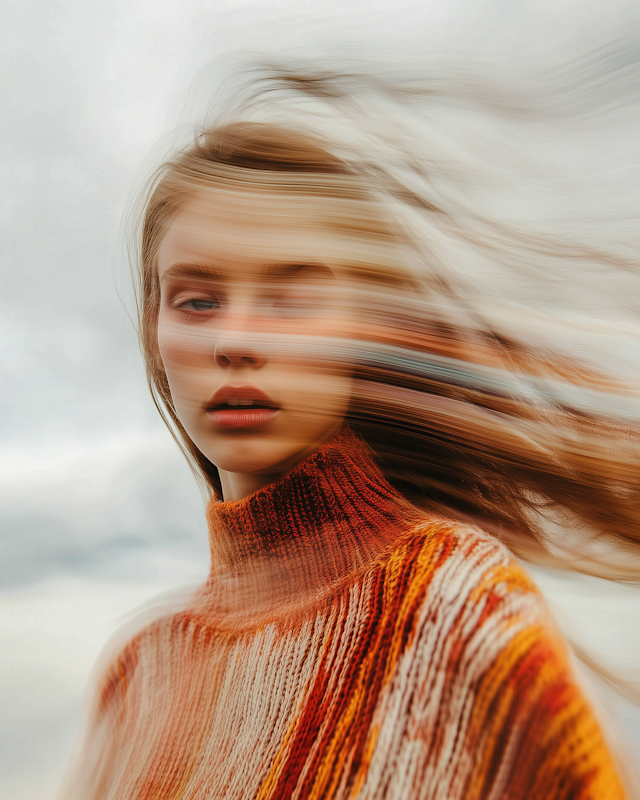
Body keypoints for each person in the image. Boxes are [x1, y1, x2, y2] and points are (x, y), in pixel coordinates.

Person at [59, 68, 640, 799]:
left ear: (358, 333)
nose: (236, 340)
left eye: (288, 298)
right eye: (199, 300)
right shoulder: (137, 677)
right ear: (155, 333)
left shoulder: (454, 604)